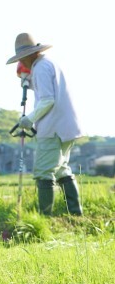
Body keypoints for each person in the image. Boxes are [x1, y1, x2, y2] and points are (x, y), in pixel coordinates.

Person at [6, 33, 83, 216]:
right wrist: (27, 82)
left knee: (43, 172)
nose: (21, 63)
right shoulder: (48, 64)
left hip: (53, 128)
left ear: (28, 55)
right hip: (66, 126)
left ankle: (45, 218)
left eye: (21, 59)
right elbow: (47, 90)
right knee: (62, 169)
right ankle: (76, 214)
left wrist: (29, 119)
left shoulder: (39, 68)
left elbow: (47, 100)